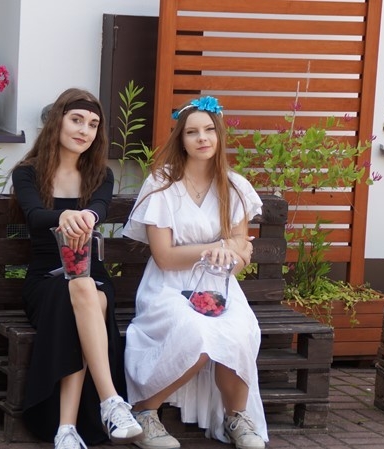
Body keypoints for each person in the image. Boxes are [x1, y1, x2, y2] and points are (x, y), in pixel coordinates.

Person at [122, 96, 268, 449]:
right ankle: (144, 412)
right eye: (192, 132)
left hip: (220, 286)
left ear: (219, 135)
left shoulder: (234, 187)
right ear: (181, 139)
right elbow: (165, 257)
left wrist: (235, 252)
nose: (202, 138)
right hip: (168, 286)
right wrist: (215, 247)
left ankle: (235, 417)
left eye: (208, 130)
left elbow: (241, 255)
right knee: (196, 333)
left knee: (240, 331)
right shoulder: (162, 185)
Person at [11, 88, 143, 449]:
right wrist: (64, 215)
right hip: (46, 280)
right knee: (83, 297)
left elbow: (99, 208)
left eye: (93, 124)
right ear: (58, 121)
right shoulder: (28, 173)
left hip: (90, 273)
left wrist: (87, 215)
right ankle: (110, 402)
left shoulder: (100, 175)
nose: (85, 130)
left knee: (85, 288)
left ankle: (66, 429)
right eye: (77, 120)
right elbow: (35, 216)